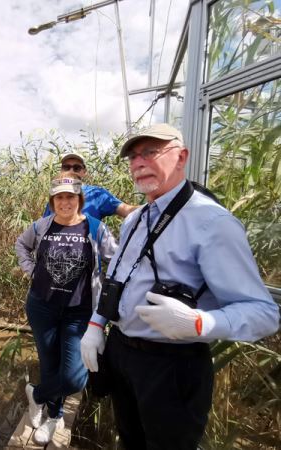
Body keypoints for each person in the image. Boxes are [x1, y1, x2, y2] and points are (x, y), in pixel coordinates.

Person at [80, 123, 280, 450]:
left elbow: (264, 313)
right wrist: (95, 325)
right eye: (132, 156)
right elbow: (116, 278)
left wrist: (199, 322)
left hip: (172, 367)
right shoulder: (134, 219)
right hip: (122, 354)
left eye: (150, 152)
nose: (138, 162)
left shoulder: (211, 222)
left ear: (182, 156)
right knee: (129, 439)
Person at [15, 176, 118, 444]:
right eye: (59, 197)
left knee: (74, 377)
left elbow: (119, 261)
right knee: (49, 364)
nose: (65, 202)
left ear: (79, 200)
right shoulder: (41, 226)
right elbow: (21, 244)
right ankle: (53, 416)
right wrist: (30, 269)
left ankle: (36, 395)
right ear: (52, 202)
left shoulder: (95, 229)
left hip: (78, 313)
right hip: (42, 307)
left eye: (70, 197)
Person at [42, 152, 137, 220]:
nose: (71, 171)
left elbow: (127, 210)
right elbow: (44, 227)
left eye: (76, 168)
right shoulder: (55, 196)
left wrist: (151, 206)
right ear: (61, 170)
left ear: (84, 172)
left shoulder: (97, 194)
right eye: (66, 167)